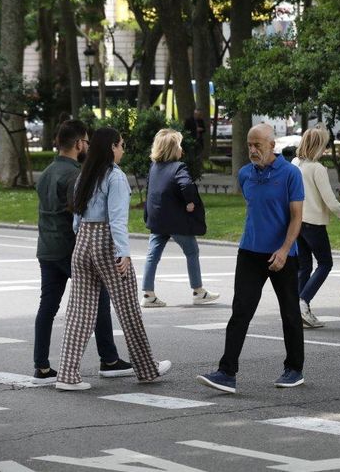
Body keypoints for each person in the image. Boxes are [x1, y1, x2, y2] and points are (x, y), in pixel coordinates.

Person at [56, 128, 170, 391]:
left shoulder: (84, 173)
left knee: (79, 312)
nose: (123, 149)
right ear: (111, 148)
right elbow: (117, 219)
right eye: (120, 145)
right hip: (106, 241)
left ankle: (67, 374)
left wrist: (82, 236)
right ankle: (147, 368)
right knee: (128, 308)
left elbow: (76, 216)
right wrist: (123, 252)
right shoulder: (115, 177)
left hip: (83, 240)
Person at [196, 124, 305, 394]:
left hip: (283, 254)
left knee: (290, 313)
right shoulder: (245, 174)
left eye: (258, 145)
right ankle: (226, 372)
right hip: (249, 252)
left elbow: (296, 217)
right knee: (240, 312)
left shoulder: (291, 174)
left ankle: (294, 369)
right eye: (249, 145)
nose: (253, 150)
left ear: (272, 145)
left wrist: (284, 249)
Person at [32, 120, 133, 385]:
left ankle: (41, 366)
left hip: (46, 248)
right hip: (71, 248)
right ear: (78, 144)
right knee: (97, 301)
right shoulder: (76, 174)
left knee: (47, 306)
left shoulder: (46, 173)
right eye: (86, 142)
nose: (87, 146)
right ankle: (109, 359)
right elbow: (80, 213)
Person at [293, 127, 340, 328]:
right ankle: (303, 302)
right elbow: (331, 203)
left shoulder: (295, 164)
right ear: (319, 146)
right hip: (314, 224)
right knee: (325, 264)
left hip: (297, 222)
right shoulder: (317, 169)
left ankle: (298, 307)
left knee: (304, 266)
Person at [141, 129, 218, 308]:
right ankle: (198, 291)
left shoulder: (154, 168)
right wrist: (190, 202)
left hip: (157, 220)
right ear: (172, 148)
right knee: (191, 251)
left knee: (152, 255)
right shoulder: (179, 167)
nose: (181, 148)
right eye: (179, 145)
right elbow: (186, 185)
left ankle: (148, 294)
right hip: (176, 221)